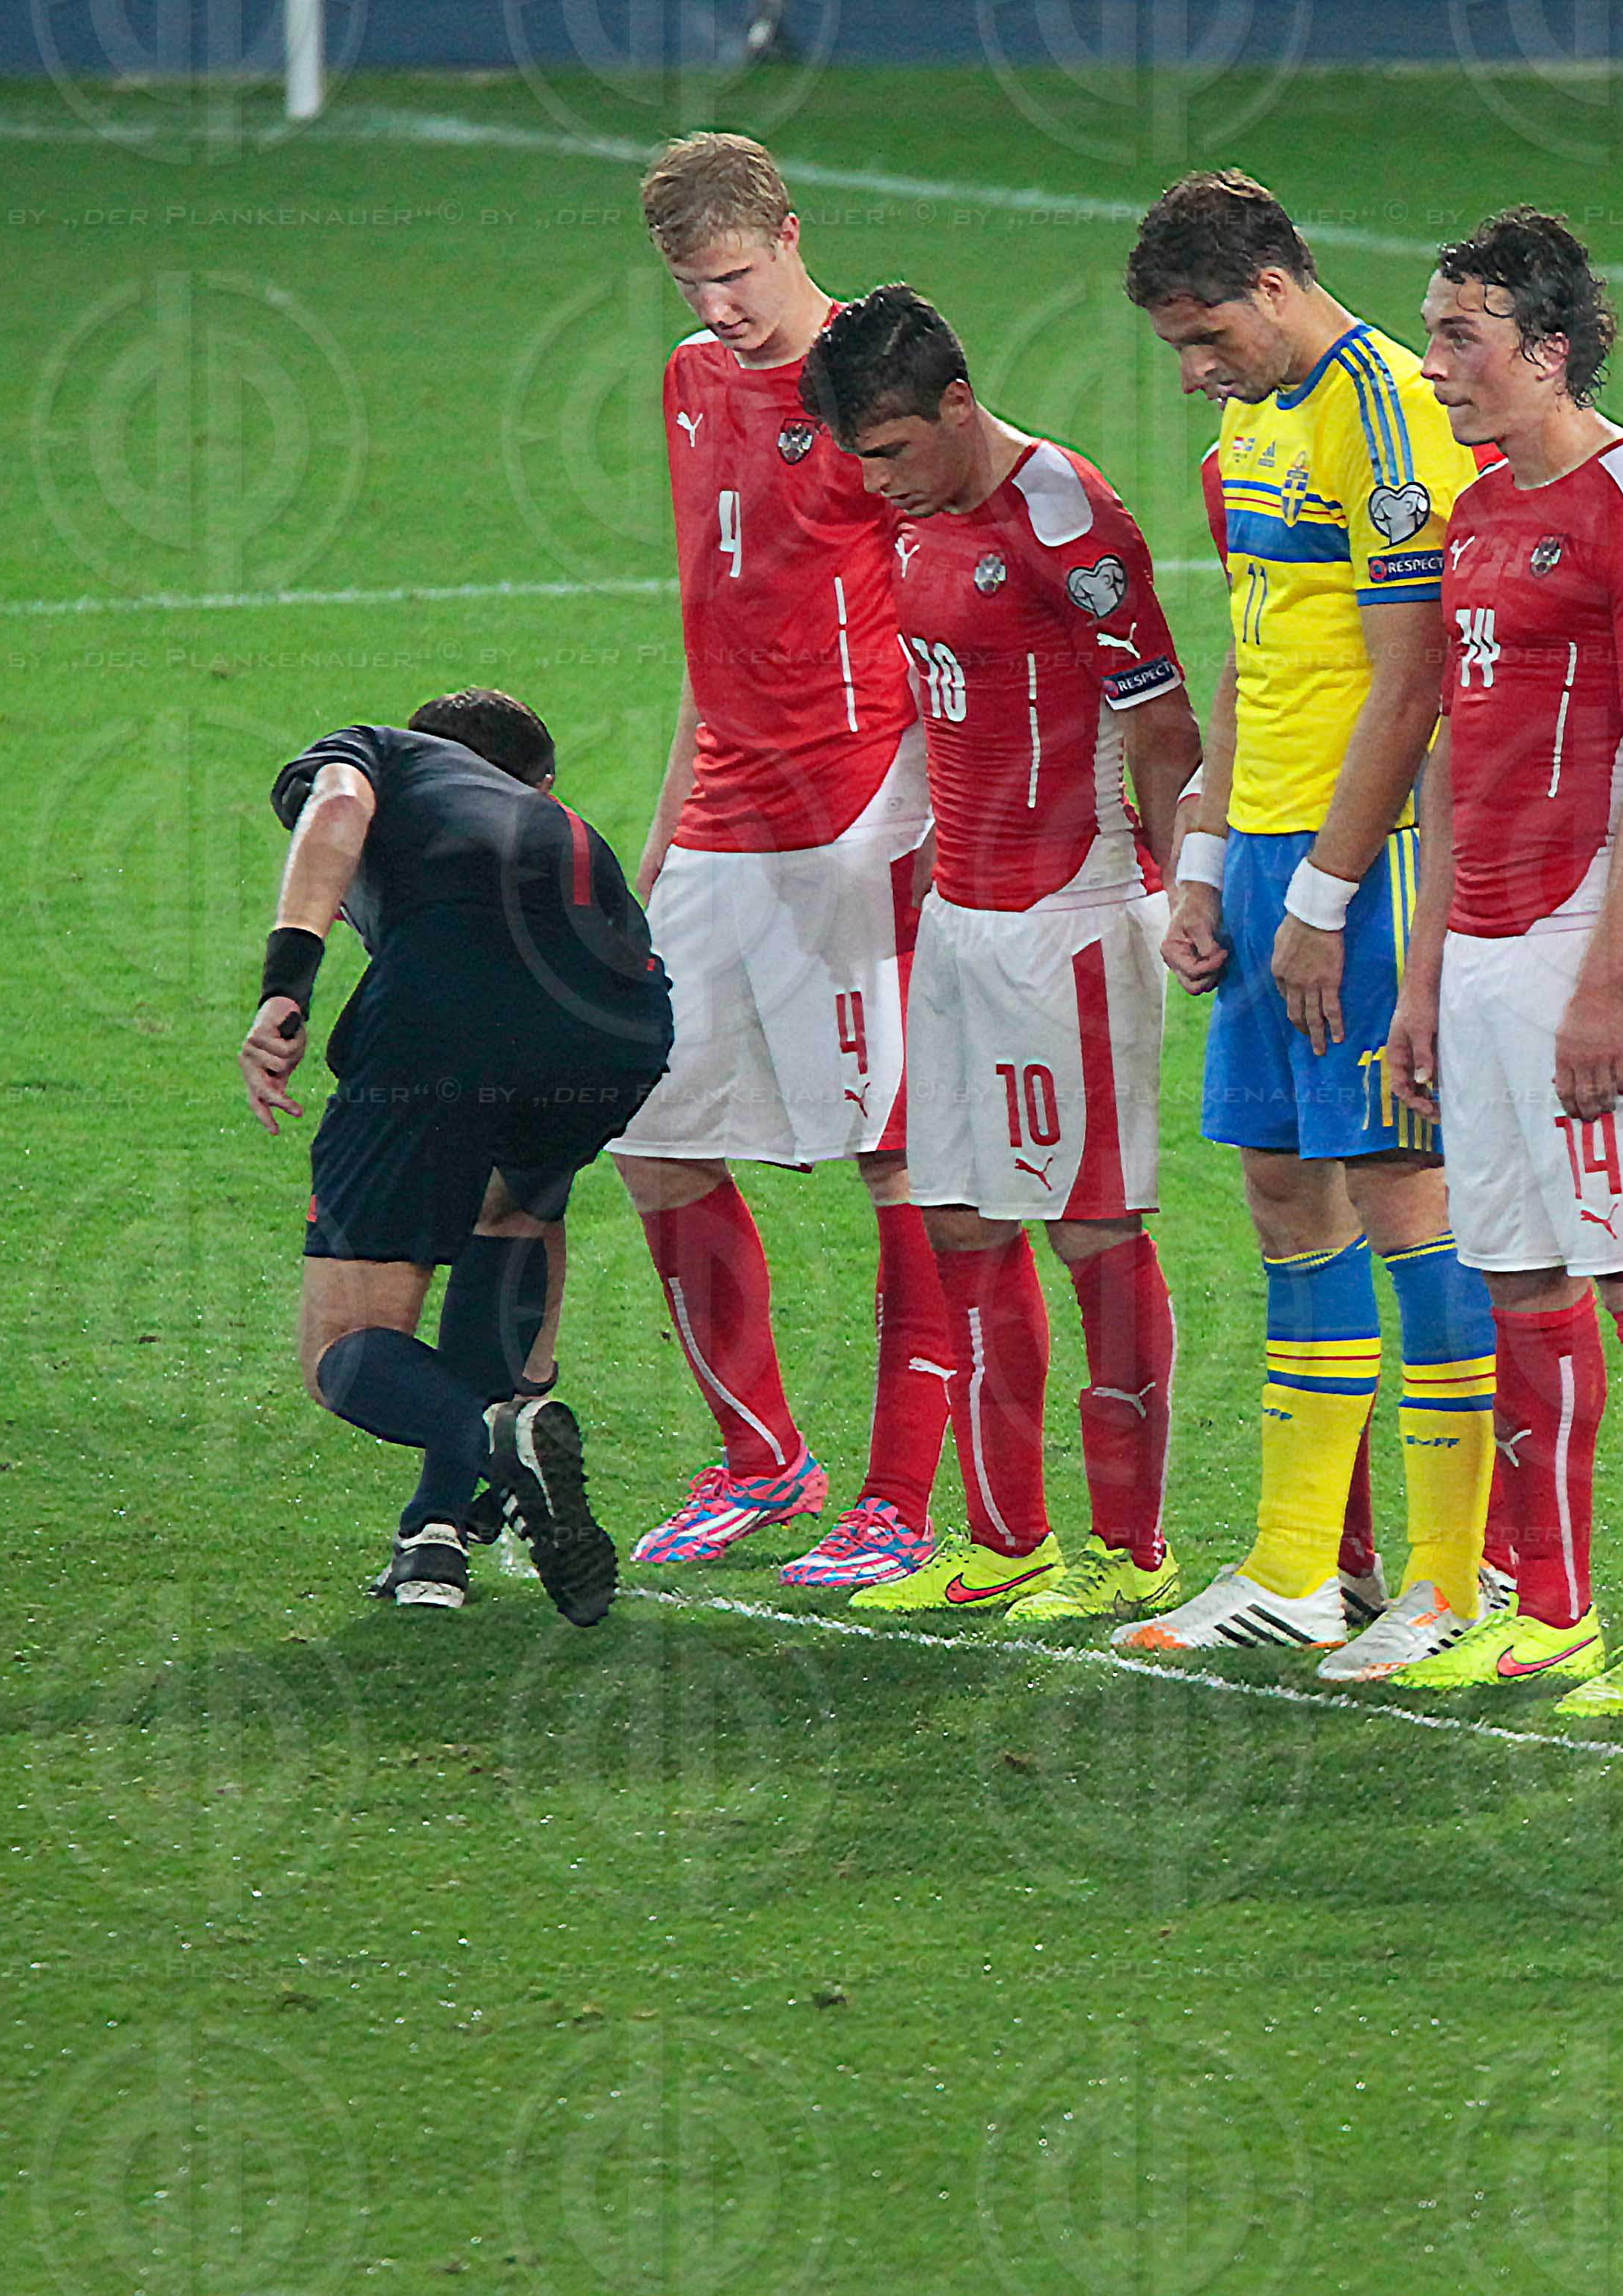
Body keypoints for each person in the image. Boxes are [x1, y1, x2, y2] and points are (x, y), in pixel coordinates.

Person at [1122, 171, 1502, 1669]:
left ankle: (1455, 1578)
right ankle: (1295, 1570)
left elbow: (1413, 681)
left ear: (1275, 285)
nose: (1195, 371)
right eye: (1179, 348)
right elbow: (1250, 648)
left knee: (1406, 1190)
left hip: (1373, 857)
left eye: (1208, 337)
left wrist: (1326, 899)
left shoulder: (1391, 414)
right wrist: (1205, 856)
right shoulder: (1252, 419)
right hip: (1266, 846)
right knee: (1285, 1189)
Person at [793, 285, 1198, 1623]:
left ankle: (1130, 1548)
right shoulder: (917, 521)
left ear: (959, 404)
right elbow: (939, 710)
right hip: (960, 923)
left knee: (1091, 1230)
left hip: (1071, 919)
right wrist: (886, 853)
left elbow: (1162, 729)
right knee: (960, 1220)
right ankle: (1007, 1535)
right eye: (862, 459)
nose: (880, 482)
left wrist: (1187, 899)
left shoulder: (1066, 518)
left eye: (895, 450)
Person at [1378, 210, 1623, 1707]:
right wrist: (1420, 977)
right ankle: (1552, 1607)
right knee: (1518, 1277)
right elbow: (1454, 755)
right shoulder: (1470, 512)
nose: (1435, 363)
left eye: (1458, 336)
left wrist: (1608, 978)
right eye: (1434, 334)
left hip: (1588, 930)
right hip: (1477, 944)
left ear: (1545, 350)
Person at [609, 133, 964, 1590]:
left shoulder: (871, 389)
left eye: (738, 277)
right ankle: (761, 1460)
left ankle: (898, 1500)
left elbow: (954, 597)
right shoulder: (691, 381)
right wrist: (655, 850)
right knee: (650, 1134)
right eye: (693, 286)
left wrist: (949, 821)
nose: (719, 310)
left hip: (857, 814)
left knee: (900, 1158)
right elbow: (717, 619)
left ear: (790, 235)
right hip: (723, 816)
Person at [240, 690, 671, 1625]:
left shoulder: (378, 752)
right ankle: (437, 1529)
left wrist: (286, 987)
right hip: (623, 1026)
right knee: (512, 1213)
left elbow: (338, 808)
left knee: (344, 1346)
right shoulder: (559, 824)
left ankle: (495, 1440)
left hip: (450, 1014)